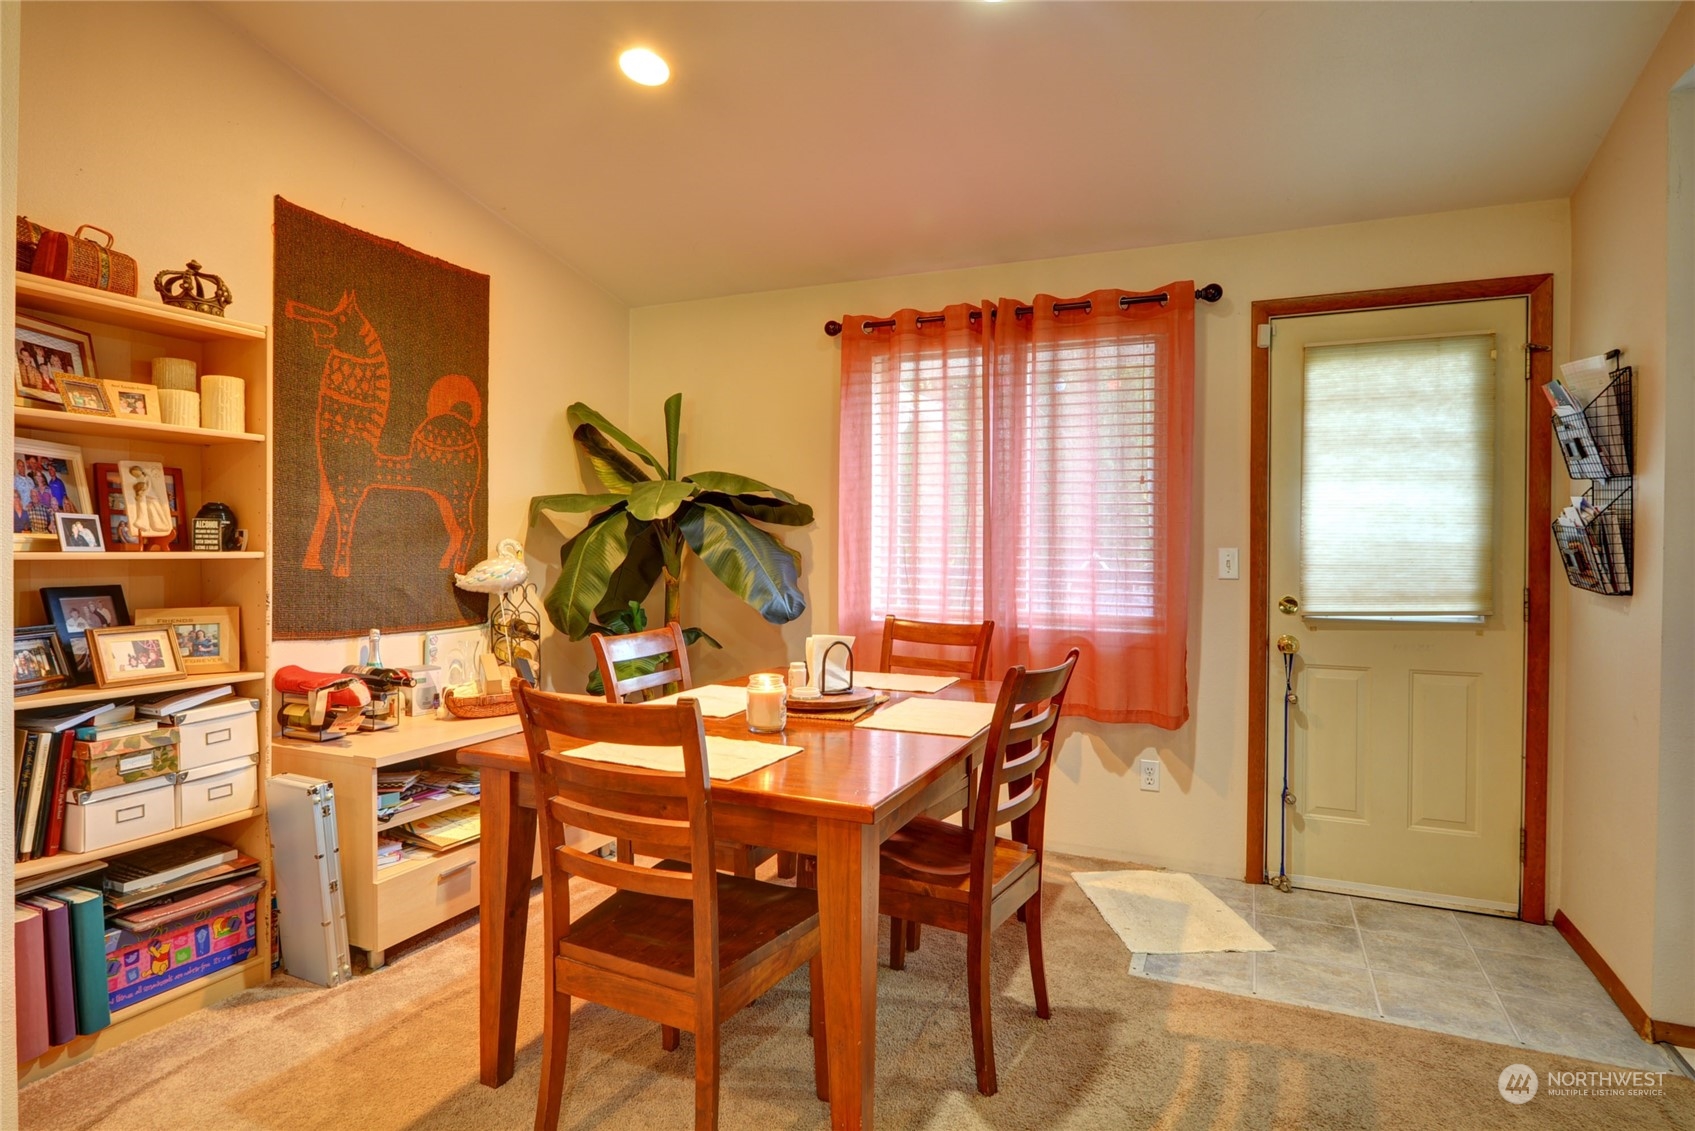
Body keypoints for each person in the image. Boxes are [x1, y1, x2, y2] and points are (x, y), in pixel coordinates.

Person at [127, 465, 173, 538]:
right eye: (134, 474)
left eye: (136, 473)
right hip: (145, 497)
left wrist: (143, 494)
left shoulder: (147, 477)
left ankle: (163, 524)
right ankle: (154, 525)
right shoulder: (137, 480)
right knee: (150, 511)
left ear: (140, 471)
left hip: (152, 496)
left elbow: (148, 488)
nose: (136, 475)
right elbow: (139, 488)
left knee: (156, 509)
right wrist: (141, 494)